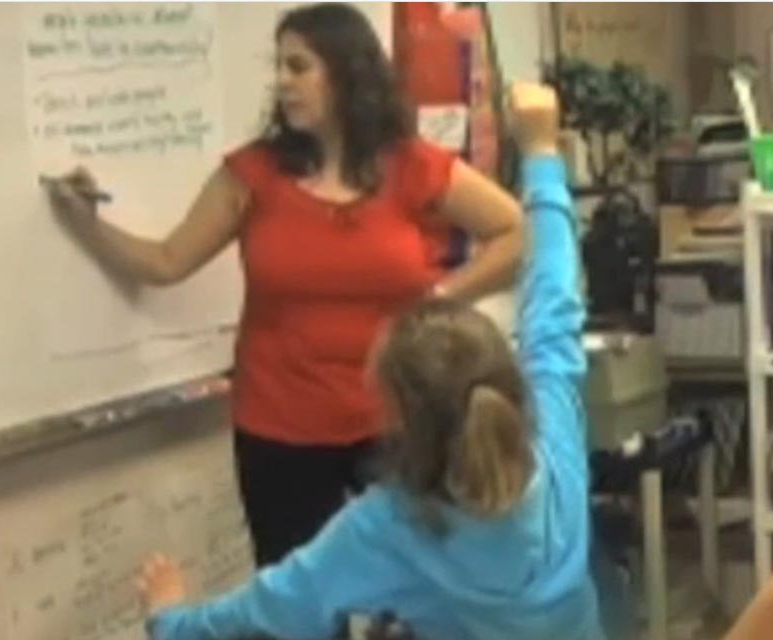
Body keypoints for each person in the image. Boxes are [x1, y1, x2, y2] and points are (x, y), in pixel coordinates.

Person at [46, 2, 523, 567]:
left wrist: (440, 299)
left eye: (299, 67)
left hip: (398, 422)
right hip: (281, 429)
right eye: (280, 67)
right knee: (299, 610)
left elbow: (514, 231)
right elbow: (167, 262)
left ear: (347, 72)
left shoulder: (412, 167)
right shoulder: (253, 176)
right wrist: (87, 222)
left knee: (414, 590)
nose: (283, 83)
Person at [135, 82, 602, 640]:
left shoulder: (389, 525)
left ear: (399, 421)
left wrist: (171, 619)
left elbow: (268, 612)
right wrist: (542, 152)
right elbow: (553, 294)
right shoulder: (553, 444)